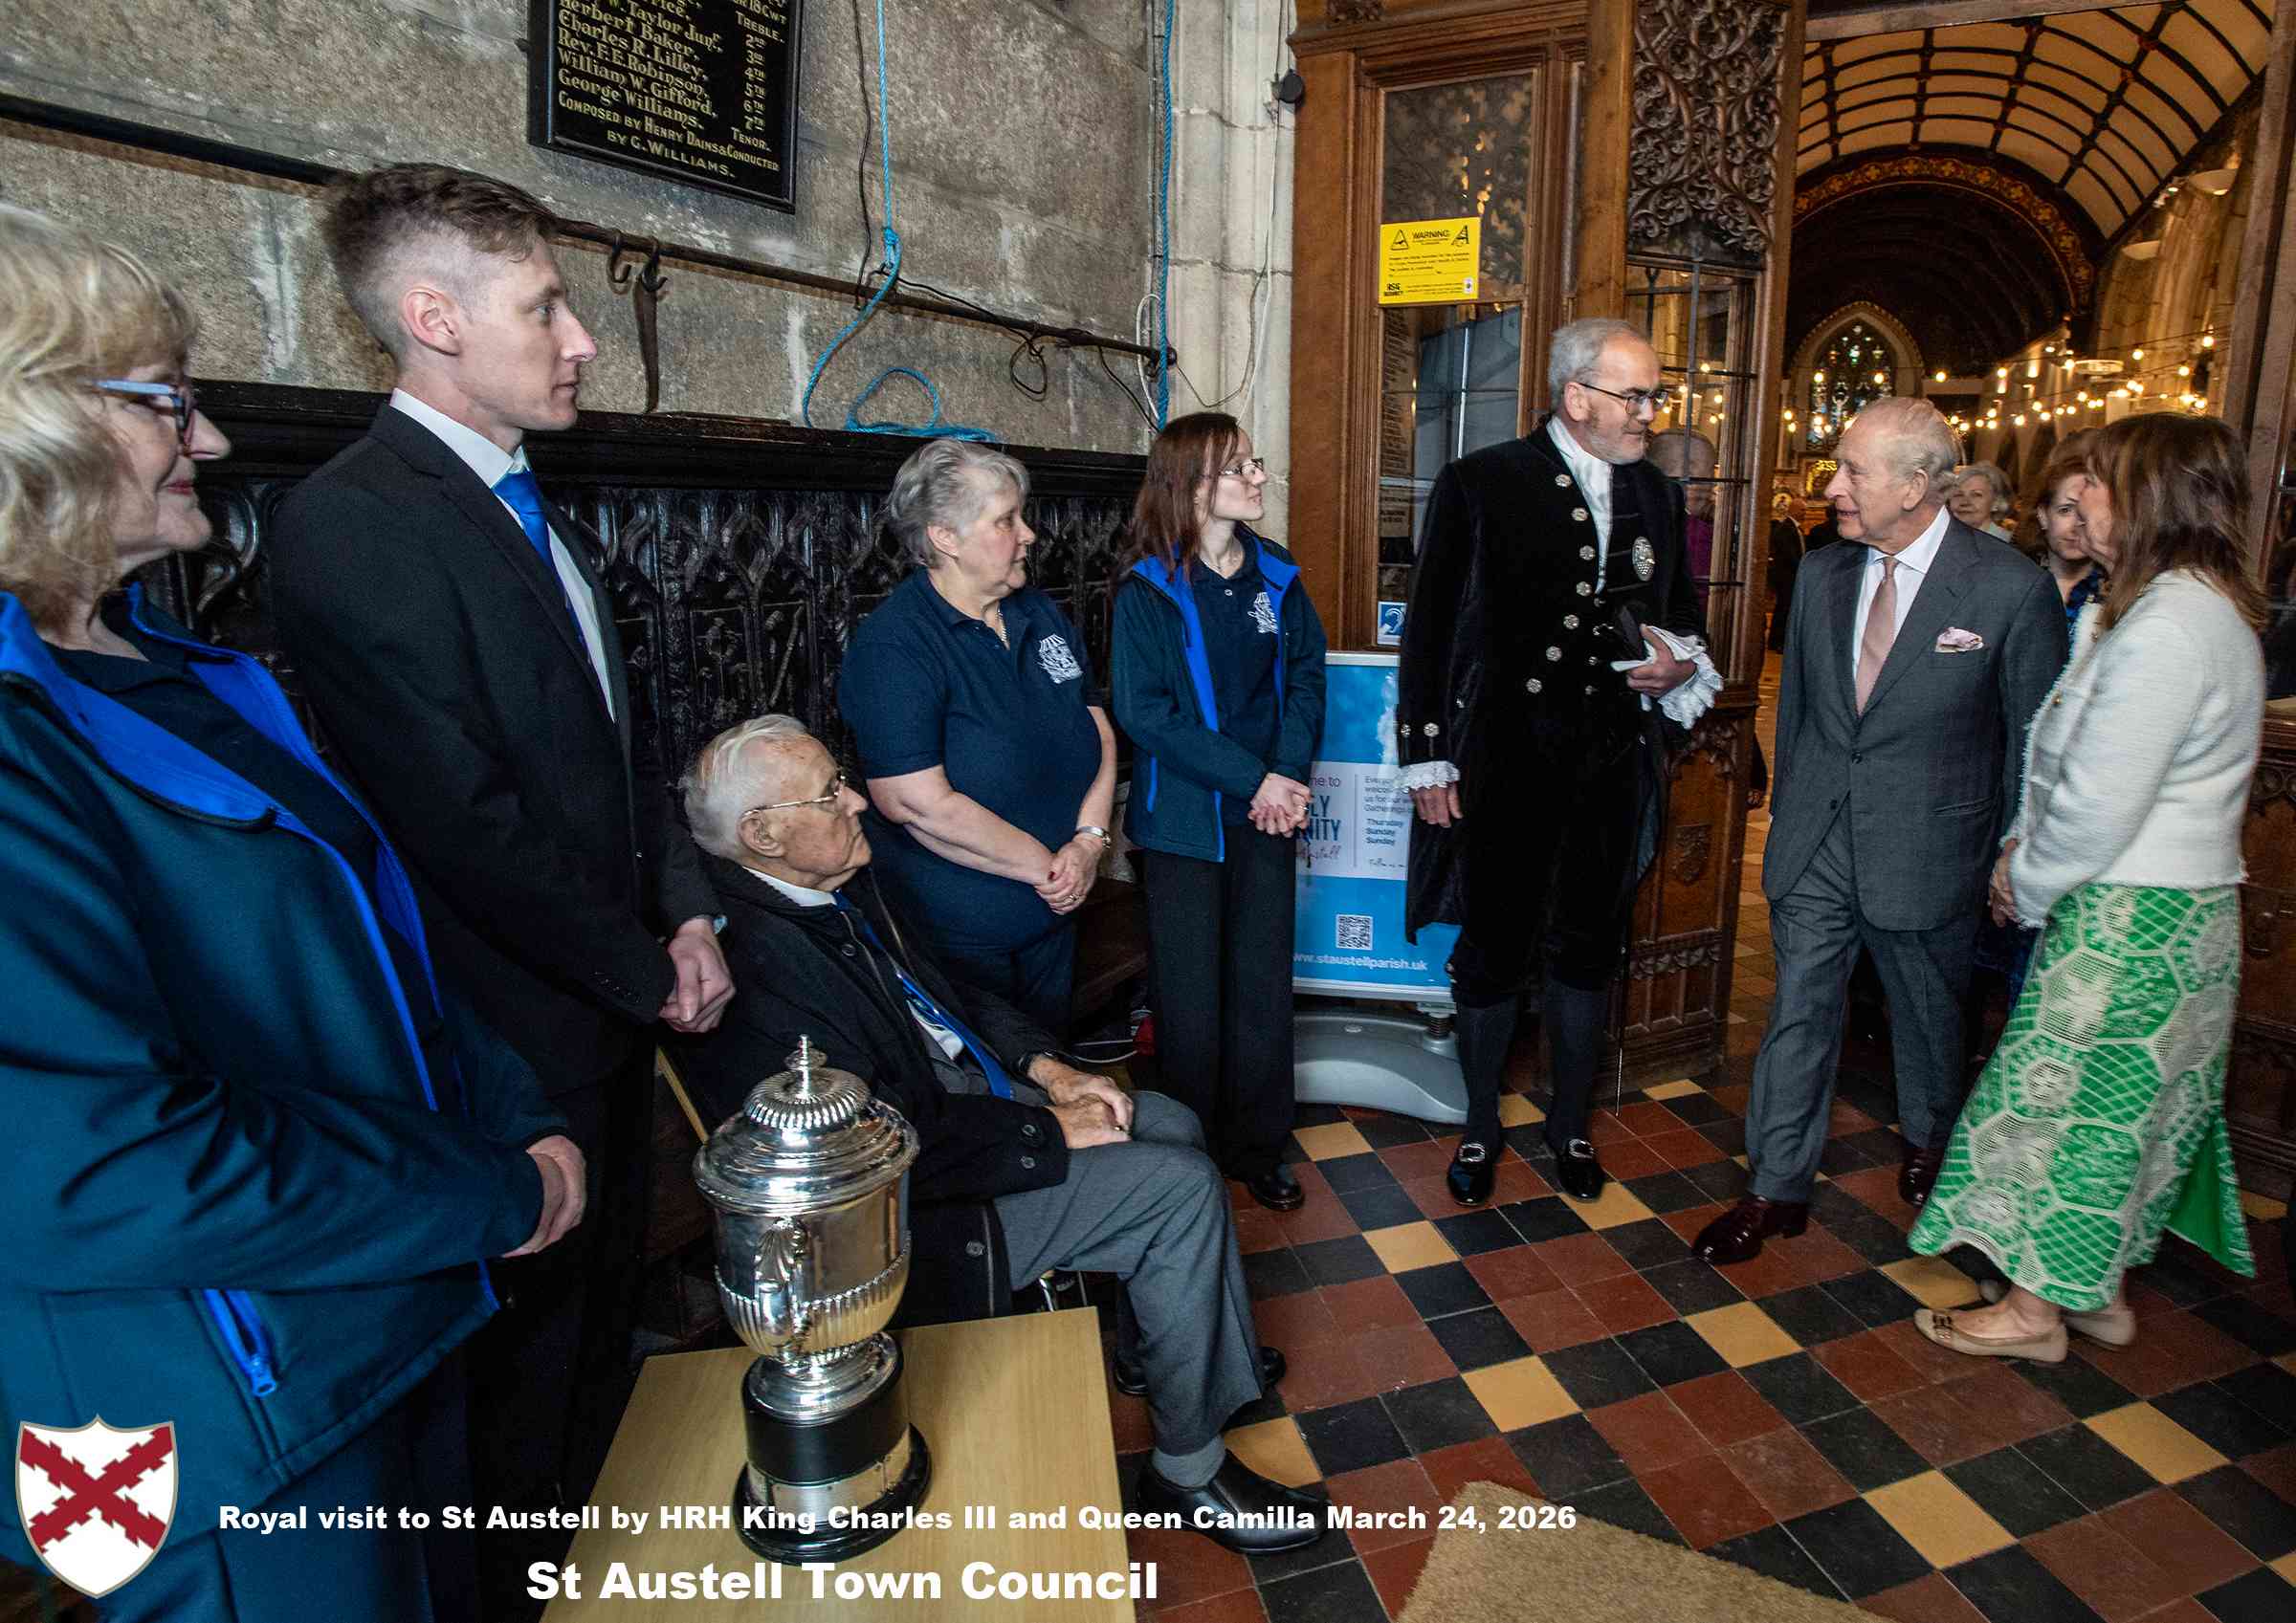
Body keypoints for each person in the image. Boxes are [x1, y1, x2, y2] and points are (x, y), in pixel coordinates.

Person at [0, 206, 576, 1622]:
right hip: (211, 1417)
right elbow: (106, 1167)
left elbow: (373, 938)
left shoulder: (183, 674)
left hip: (383, 1307)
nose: (206, 439)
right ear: (31, 423)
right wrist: (492, 1190)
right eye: (164, 402)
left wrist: (512, 1113)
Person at [266, 164, 731, 1614]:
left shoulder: (533, 504)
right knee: (519, 1404)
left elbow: (623, 749)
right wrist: (639, 967)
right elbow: (458, 822)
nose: (581, 340)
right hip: (507, 1036)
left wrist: (687, 910)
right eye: (544, 307)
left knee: (595, 1366)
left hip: (607, 1000)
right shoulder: (354, 520)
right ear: (434, 318)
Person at [666, 716, 1319, 1552]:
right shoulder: (760, 964)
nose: (857, 801)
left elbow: (955, 997)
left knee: (1172, 1120)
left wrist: (1053, 1071)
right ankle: (1189, 1470)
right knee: (1180, 1190)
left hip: (972, 1108)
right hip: (920, 1206)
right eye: (830, 793)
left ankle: (1165, 1350)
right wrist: (1048, 1129)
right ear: (763, 833)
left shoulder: (837, 885)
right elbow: (881, 1144)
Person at [1908, 413, 2266, 1362]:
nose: (2080, 500)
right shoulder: (2181, 607)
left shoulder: (2170, 627)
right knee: (2124, 1113)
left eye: (2099, 482)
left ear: (2149, 498)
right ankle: (2090, 1291)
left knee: (2070, 1113)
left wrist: (2022, 880)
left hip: (2133, 914)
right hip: (2173, 910)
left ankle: (2034, 1314)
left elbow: (2101, 803)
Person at [1694, 398, 2063, 1264]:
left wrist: (2014, 851)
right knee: (1798, 1012)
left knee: (1929, 1017)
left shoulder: (2010, 588)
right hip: (1819, 840)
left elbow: (2034, 741)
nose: (1833, 486)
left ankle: (1932, 1145)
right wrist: (1789, 814)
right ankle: (1774, 1187)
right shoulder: (1824, 573)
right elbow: (1802, 713)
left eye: (1853, 471)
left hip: (1932, 848)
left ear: (1916, 484)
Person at [1399, 317, 1720, 1207]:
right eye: (1635, 396)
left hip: (1610, 763)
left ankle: (1570, 1123)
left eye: (1654, 395)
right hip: (1503, 763)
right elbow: (1429, 634)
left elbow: (1683, 614)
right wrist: (1428, 759)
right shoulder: (1481, 481)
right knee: (1494, 951)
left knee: (1588, 948)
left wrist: (1681, 664)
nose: (1650, 413)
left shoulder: (1656, 493)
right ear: (1576, 396)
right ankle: (1479, 1126)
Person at [1110, 413, 1327, 1212]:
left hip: (1267, 812)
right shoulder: (1148, 588)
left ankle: (1258, 1146)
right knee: (1191, 998)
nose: (1259, 477)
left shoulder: (1278, 574)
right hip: (1186, 824)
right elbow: (1147, 712)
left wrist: (1285, 775)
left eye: (1254, 462)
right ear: (1191, 486)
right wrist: (1254, 779)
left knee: (1262, 986)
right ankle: (1189, 1156)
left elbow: (1306, 678)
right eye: (1239, 467)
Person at [838, 439, 1116, 1037]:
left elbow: (1097, 727)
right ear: (945, 537)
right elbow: (914, 802)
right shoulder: (896, 645)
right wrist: (1048, 868)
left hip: (1056, 912)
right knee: (1003, 1080)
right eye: (1006, 521)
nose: (1029, 535)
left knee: (1057, 1070)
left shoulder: (1037, 611)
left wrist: (1089, 844)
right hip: (965, 940)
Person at [2033, 431, 2106, 635]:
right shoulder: (2016, 580)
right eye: (2065, 510)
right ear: (2043, 515)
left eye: (2085, 512)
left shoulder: (2115, 589)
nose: (2075, 526)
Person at [1767, 492, 1805, 652]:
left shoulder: (1795, 528)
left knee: (1786, 608)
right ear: (1793, 510)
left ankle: (1779, 640)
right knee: (1783, 608)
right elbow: (1789, 554)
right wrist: (1803, 568)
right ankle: (1777, 641)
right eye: (1802, 510)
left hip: (1791, 576)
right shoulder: (1785, 528)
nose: (1805, 513)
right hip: (1786, 576)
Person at [1948, 461, 2016, 541]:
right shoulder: (1942, 538)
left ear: (1996, 503)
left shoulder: (2006, 544)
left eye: (1976, 495)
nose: (1965, 502)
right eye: (1958, 494)